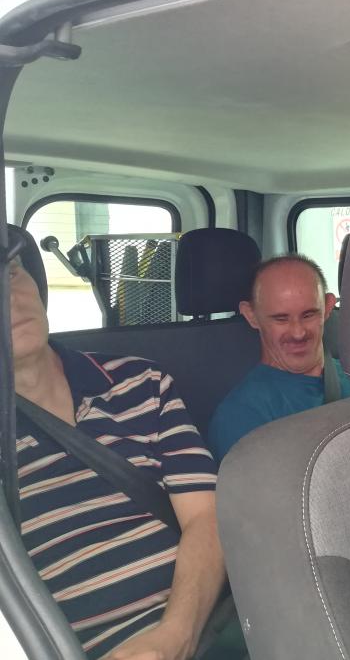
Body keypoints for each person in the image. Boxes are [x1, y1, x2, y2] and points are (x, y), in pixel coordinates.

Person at [8, 226, 225, 660]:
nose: (10, 298)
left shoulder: (142, 381)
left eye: (11, 272)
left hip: (210, 629)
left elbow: (208, 517)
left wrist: (174, 637)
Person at [207, 254, 350, 460]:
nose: (298, 333)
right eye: (280, 319)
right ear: (252, 316)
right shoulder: (240, 415)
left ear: (328, 307)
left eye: (308, 315)